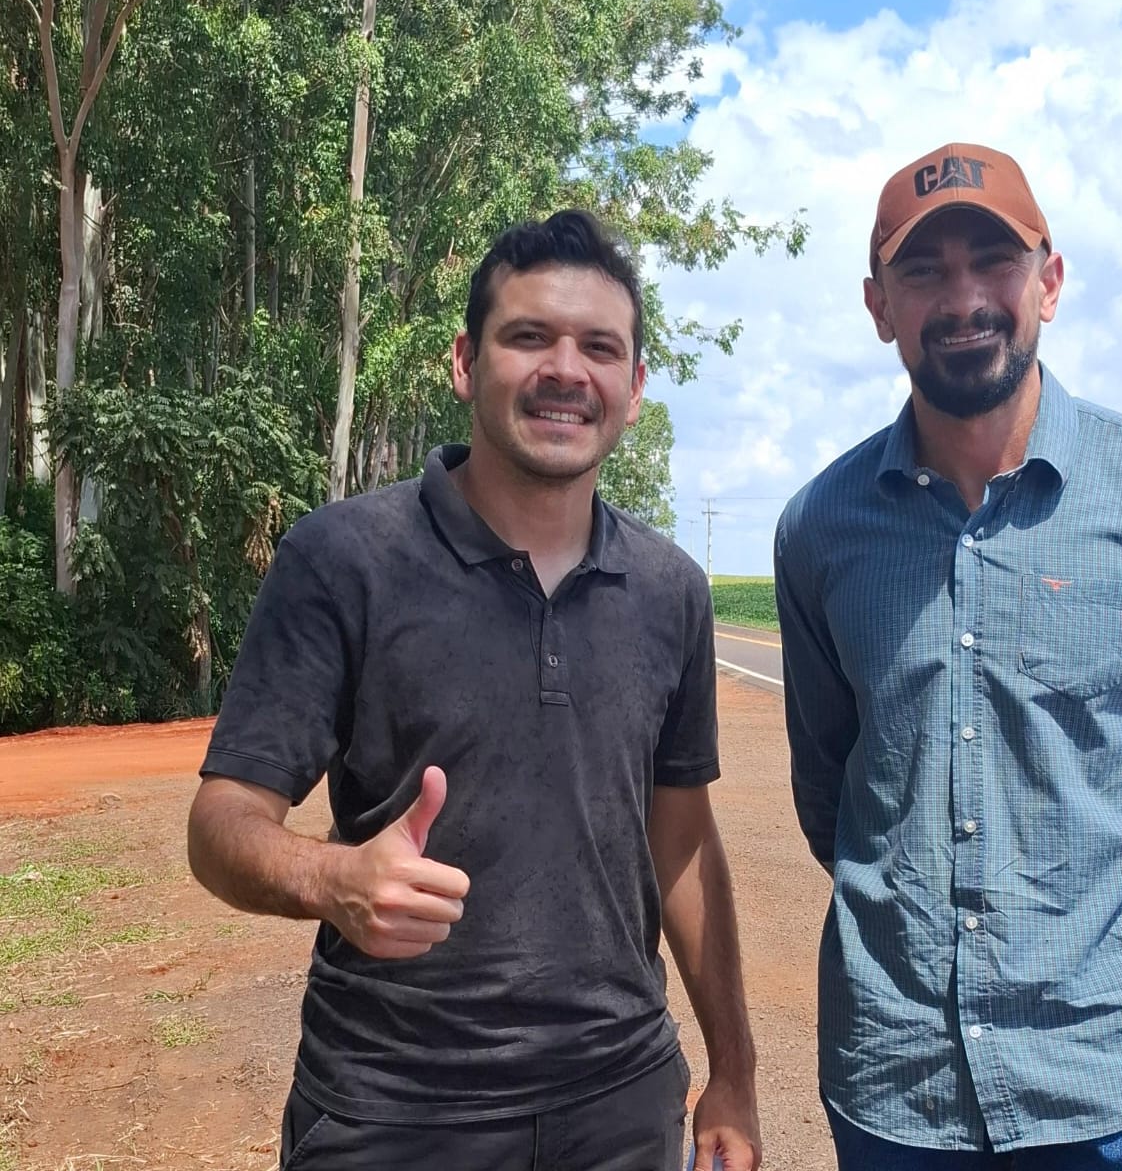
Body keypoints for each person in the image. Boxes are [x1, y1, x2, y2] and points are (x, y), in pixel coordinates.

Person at [187, 210, 760, 1171]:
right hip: (392, 1111)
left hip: (621, 1106)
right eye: (528, 336)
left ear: (634, 387)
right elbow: (220, 825)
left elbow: (682, 845)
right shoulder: (345, 560)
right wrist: (332, 880)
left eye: (600, 348)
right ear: (464, 361)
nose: (566, 370)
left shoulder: (671, 593)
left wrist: (734, 1072)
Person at [774, 143, 1122, 1169]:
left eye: (993, 262)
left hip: (1115, 1087)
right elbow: (833, 792)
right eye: (923, 271)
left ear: (1048, 282)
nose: (962, 297)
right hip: (897, 1089)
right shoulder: (821, 529)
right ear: (878, 306)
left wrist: (1110, 935)